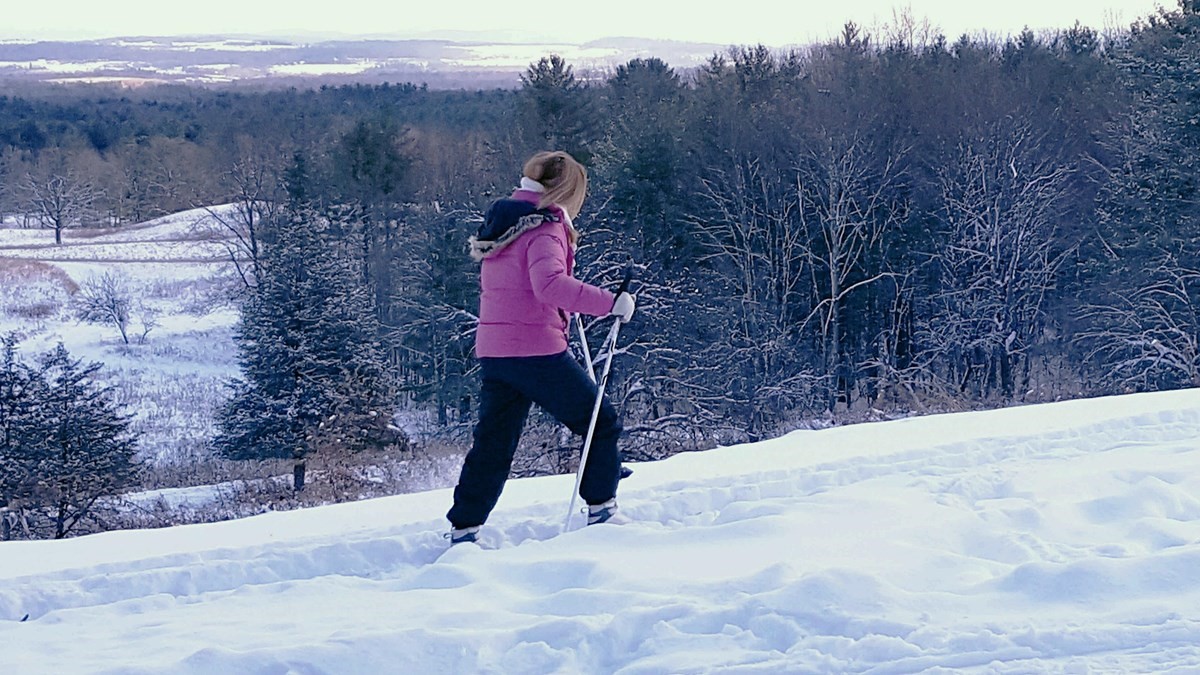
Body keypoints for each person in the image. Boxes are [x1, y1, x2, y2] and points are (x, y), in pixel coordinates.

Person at [446, 151, 636, 544]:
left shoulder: (504, 222)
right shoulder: (545, 227)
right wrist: (610, 303)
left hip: (497, 350)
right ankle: (602, 507)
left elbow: (523, 286)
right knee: (600, 421)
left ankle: (464, 526)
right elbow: (549, 285)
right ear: (565, 191)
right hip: (534, 348)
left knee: (494, 442)